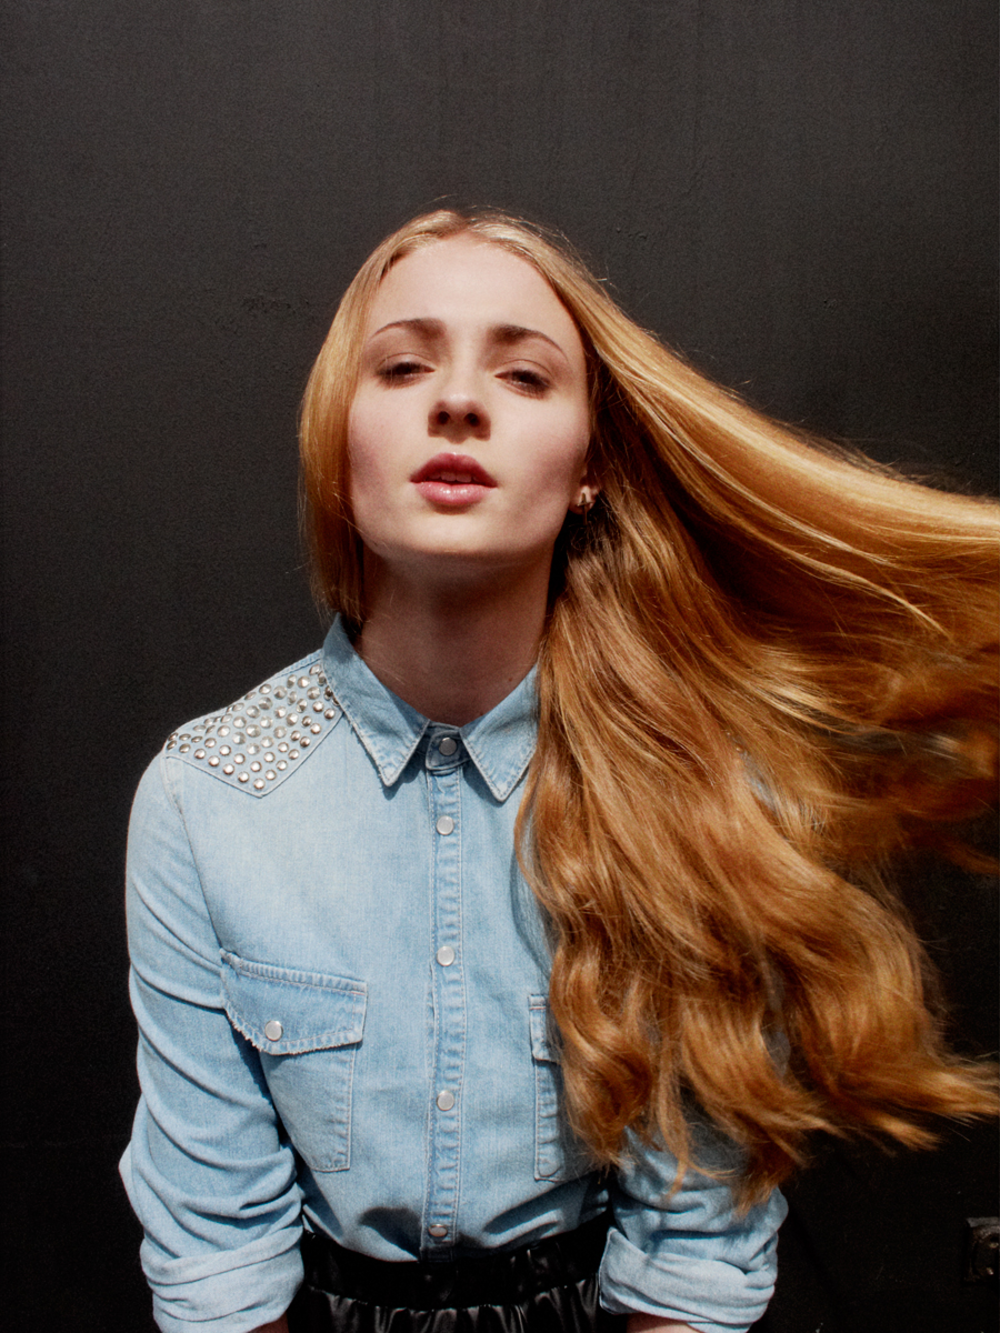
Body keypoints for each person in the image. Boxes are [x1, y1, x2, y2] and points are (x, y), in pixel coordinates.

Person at [122, 209, 998, 1333]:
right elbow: (216, 1258)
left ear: (590, 466)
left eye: (524, 374)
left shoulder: (705, 787)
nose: (457, 400)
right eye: (403, 365)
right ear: (339, 445)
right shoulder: (207, 797)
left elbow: (694, 1252)